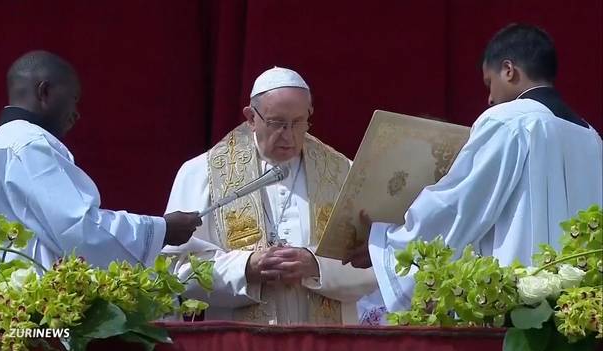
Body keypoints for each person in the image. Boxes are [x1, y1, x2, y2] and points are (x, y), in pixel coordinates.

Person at [343, 24, 603, 312]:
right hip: (580, 307)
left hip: (517, 304)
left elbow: (460, 204)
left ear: (508, 70)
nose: (489, 98)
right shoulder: (590, 136)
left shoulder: (509, 120)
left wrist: (385, 242)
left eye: (489, 82)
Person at [163, 67, 377, 324]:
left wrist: (317, 266)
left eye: (299, 122)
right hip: (240, 345)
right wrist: (245, 269)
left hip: (325, 345)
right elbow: (177, 270)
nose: (289, 135)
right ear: (251, 117)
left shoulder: (344, 173)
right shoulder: (201, 174)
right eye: (277, 123)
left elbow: (375, 263)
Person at [0, 50, 202, 270]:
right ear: (44, 92)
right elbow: (80, 230)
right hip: (34, 309)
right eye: (74, 99)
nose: (76, 113)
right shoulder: (29, 143)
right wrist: (162, 230)